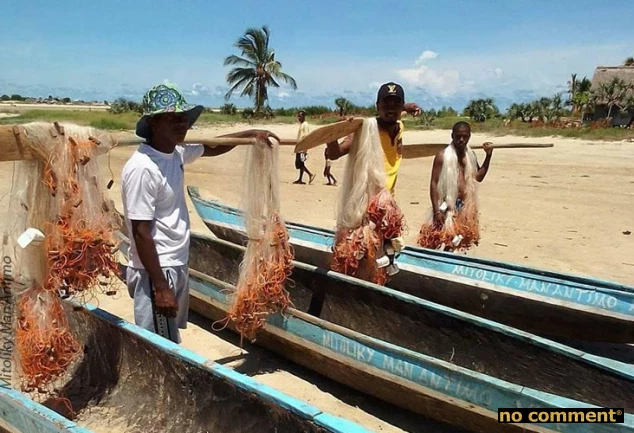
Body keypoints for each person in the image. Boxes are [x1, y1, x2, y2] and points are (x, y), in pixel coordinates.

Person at [121, 84, 279, 343]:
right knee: (159, 343)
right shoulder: (142, 168)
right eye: (173, 119)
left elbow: (213, 147)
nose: (182, 124)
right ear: (153, 123)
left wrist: (252, 134)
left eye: (184, 118)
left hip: (176, 262)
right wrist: (160, 286)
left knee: (169, 335)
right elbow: (141, 233)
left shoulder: (176, 152)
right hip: (157, 269)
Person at [325, 82, 421, 194]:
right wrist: (333, 132)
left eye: (396, 104)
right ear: (377, 106)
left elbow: (396, 112)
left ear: (401, 106)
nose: (391, 109)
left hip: (388, 200)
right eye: (386, 104)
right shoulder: (365, 131)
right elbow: (334, 154)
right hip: (366, 204)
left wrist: (409, 107)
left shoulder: (399, 126)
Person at [418, 121, 493, 251]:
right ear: (452, 136)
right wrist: (436, 211)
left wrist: (488, 155)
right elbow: (434, 183)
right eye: (458, 136)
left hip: (463, 207)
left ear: (469, 136)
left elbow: (478, 177)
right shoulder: (442, 156)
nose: (461, 140)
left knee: (457, 242)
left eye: (465, 137)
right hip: (445, 206)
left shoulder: (471, 155)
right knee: (438, 239)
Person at [294, 110, 316, 185]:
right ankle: (300, 179)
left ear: (303, 116)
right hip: (300, 146)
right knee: (300, 163)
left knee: (299, 163)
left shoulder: (305, 125)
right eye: (298, 116)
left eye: (300, 116)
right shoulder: (302, 124)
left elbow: (306, 136)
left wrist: (305, 149)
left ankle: (310, 174)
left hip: (302, 147)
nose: (298, 118)